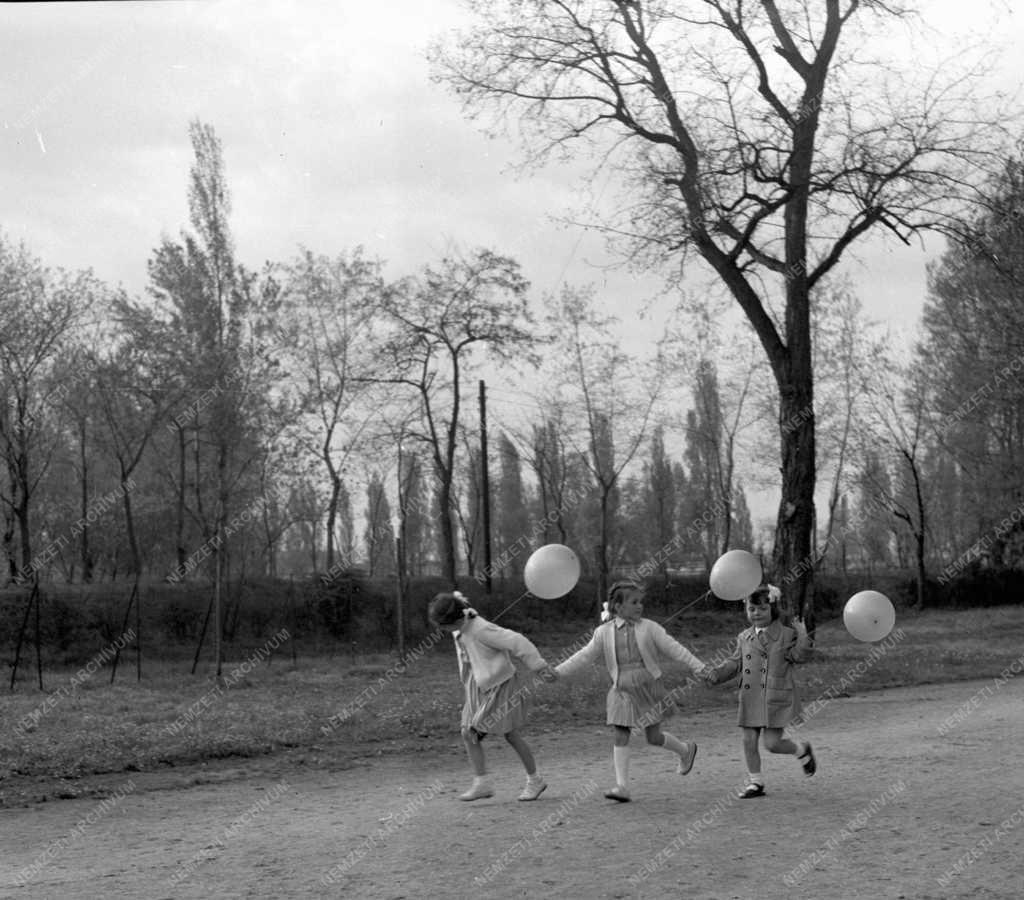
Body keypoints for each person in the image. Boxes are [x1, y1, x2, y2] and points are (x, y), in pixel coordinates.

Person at [555, 580, 712, 802]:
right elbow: (583, 656)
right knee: (621, 732)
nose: (640, 606)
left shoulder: (650, 628)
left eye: (641, 602)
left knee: (653, 737)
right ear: (618, 607)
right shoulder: (603, 632)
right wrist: (557, 672)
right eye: (634, 602)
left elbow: (676, 649)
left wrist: (701, 668)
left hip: (648, 687)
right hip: (621, 689)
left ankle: (686, 750)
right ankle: (622, 787)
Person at [428, 590, 556, 802]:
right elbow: (458, 601)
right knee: (467, 733)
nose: (441, 631)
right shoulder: (460, 622)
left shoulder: (481, 630)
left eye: (443, 626)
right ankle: (482, 783)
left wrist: (539, 666)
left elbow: (518, 641)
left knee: (505, 734)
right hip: (476, 685)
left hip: (500, 684)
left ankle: (535, 780)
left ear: (458, 619)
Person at [705, 583, 816, 799]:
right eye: (752, 609)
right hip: (751, 696)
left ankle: (802, 750)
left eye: (762, 609)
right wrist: (716, 674)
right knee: (748, 740)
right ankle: (755, 782)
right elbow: (735, 663)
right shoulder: (744, 637)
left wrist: (802, 635)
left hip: (776, 697)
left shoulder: (786, 634)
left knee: (772, 744)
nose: (756, 613)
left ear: (772, 609)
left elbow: (799, 656)